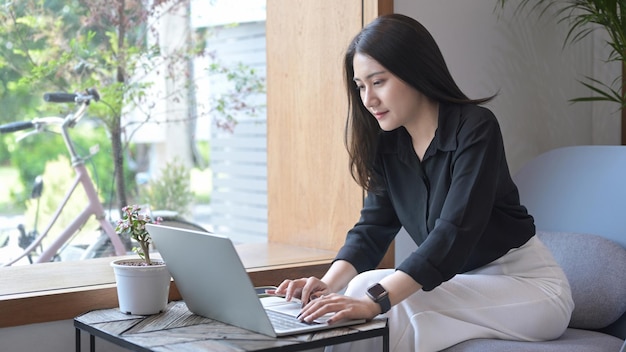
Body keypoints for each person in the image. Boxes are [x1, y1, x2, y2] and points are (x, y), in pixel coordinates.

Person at [271, 13, 574, 352]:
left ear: (413, 71)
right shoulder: (388, 146)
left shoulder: (475, 129)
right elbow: (371, 231)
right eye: (360, 86)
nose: (368, 99)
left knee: (369, 290)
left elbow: (454, 232)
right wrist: (326, 286)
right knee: (360, 292)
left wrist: (376, 301)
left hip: (529, 289)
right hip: (459, 284)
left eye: (379, 81)